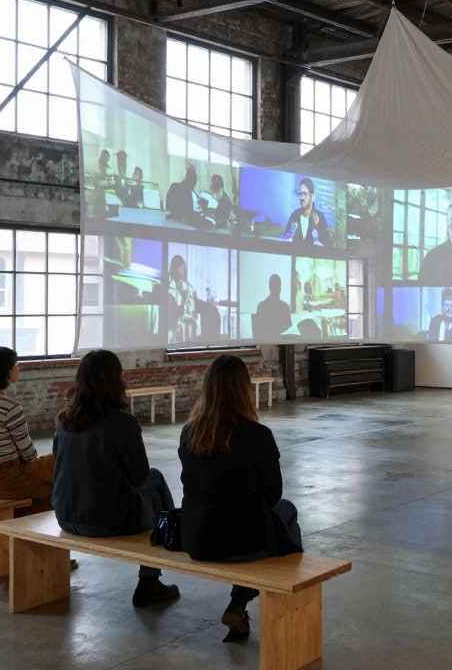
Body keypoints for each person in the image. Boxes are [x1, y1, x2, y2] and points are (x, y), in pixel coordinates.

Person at [177, 354, 303, 642]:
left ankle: (241, 604)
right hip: (242, 542)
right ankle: (265, 606)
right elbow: (273, 495)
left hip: (196, 537)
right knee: (288, 514)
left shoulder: (189, 433)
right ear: (244, 390)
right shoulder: (257, 435)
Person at [51, 350, 180, 608]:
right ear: (116, 380)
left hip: (65, 515)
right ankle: (151, 576)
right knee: (155, 481)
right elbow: (140, 476)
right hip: (106, 519)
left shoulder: (66, 420)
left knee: (151, 484)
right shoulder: (122, 422)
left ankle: (155, 568)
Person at [0, 347, 54, 516]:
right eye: (15, 365)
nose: (18, 368)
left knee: (51, 464)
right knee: (57, 483)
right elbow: (29, 454)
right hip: (6, 479)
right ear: (7, 374)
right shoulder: (10, 407)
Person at [281, 177, 330, 246]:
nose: (301, 198)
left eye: (304, 194)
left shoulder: (320, 217)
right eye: (300, 194)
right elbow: (285, 238)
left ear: (312, 196)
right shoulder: (295, 215)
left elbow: (326, 242)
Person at [167, 254, 198, 344]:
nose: (183, 270)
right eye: (181, 267)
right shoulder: (169, 289)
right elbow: (171, 312)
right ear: (175, 268)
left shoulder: (189, 288)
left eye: (184, 267)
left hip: (189, 330)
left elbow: (193, 308)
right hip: (175, 331)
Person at [253, 274, 292, 339]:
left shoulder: (261, 306)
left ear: (269, 287)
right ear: (280, 288)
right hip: (281, 345)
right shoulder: (284, 307)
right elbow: (289, 330)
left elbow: (257, 333)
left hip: (265, 346)